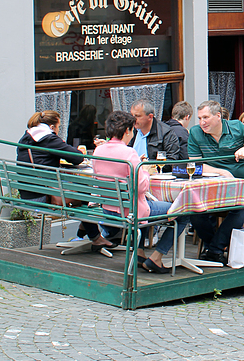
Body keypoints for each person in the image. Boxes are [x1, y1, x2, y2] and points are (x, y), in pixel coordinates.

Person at [92, 111, 191, 273]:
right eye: (132, 130)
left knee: (145, 204)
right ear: (127, 131)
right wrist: (144, 170)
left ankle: (138, 252)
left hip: (109, 208)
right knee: (183, 210)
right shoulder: (129, 153)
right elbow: (142, 187)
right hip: (131, 212)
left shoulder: (98, 151)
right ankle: (157, 258)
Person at [187, 100, 244, 264]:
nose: (202, 122)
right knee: (193, 211)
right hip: (211, 185)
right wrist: (221, 172)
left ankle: (214, 249)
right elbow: (195, 164)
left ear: (218, 116)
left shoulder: (236, 127)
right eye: (200, 118)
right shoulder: (195, 132)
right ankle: (215, 247)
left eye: (206, 117)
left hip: (239, 184)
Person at [16, 110, 112, 249]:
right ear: (53, 126)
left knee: (81, 189)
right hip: (42, 196)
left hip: (28, 193)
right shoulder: (48, 139)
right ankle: (94, 236)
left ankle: (85, 228)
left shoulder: (26, 138)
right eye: (59, 127)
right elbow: (77, 158)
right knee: (84, 189)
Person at [130, 99, 184, 168]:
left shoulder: (166, 132)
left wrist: (150, 164)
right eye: (132, 115)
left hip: (155, 175)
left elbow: (172, 160)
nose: (133, 119)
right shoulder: (130, 130)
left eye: (137, 116)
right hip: (132, 174)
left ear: (150, 117)